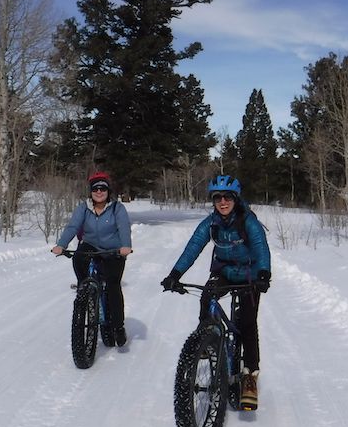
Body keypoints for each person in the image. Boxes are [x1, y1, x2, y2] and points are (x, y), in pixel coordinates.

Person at [161, 175, 271, 410]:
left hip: (249, 275)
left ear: (235, 199)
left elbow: (261, 247)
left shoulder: (248, 221)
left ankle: (250, 376)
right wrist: (175, 274)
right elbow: (193, 247)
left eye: (227, 197)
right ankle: (206, 338)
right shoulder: (210, 223)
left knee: (247, 323)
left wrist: (263, 274)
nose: (222, 202)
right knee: (207, 296)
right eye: (217, 197)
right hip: (224, 272)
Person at [52, 171, 134, 346]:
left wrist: (125, 246)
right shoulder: (84, 207)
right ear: (91, 191)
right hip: (90, 245)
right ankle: (84, 289)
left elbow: (124, 227)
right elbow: (73, 226)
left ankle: (118, 327)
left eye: (102, 188)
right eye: (95, 189)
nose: (99, 192)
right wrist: (61, 245)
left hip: (113, 249)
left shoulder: (117, 208)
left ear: (108, 191)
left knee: (113, 285)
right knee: (78, 258)